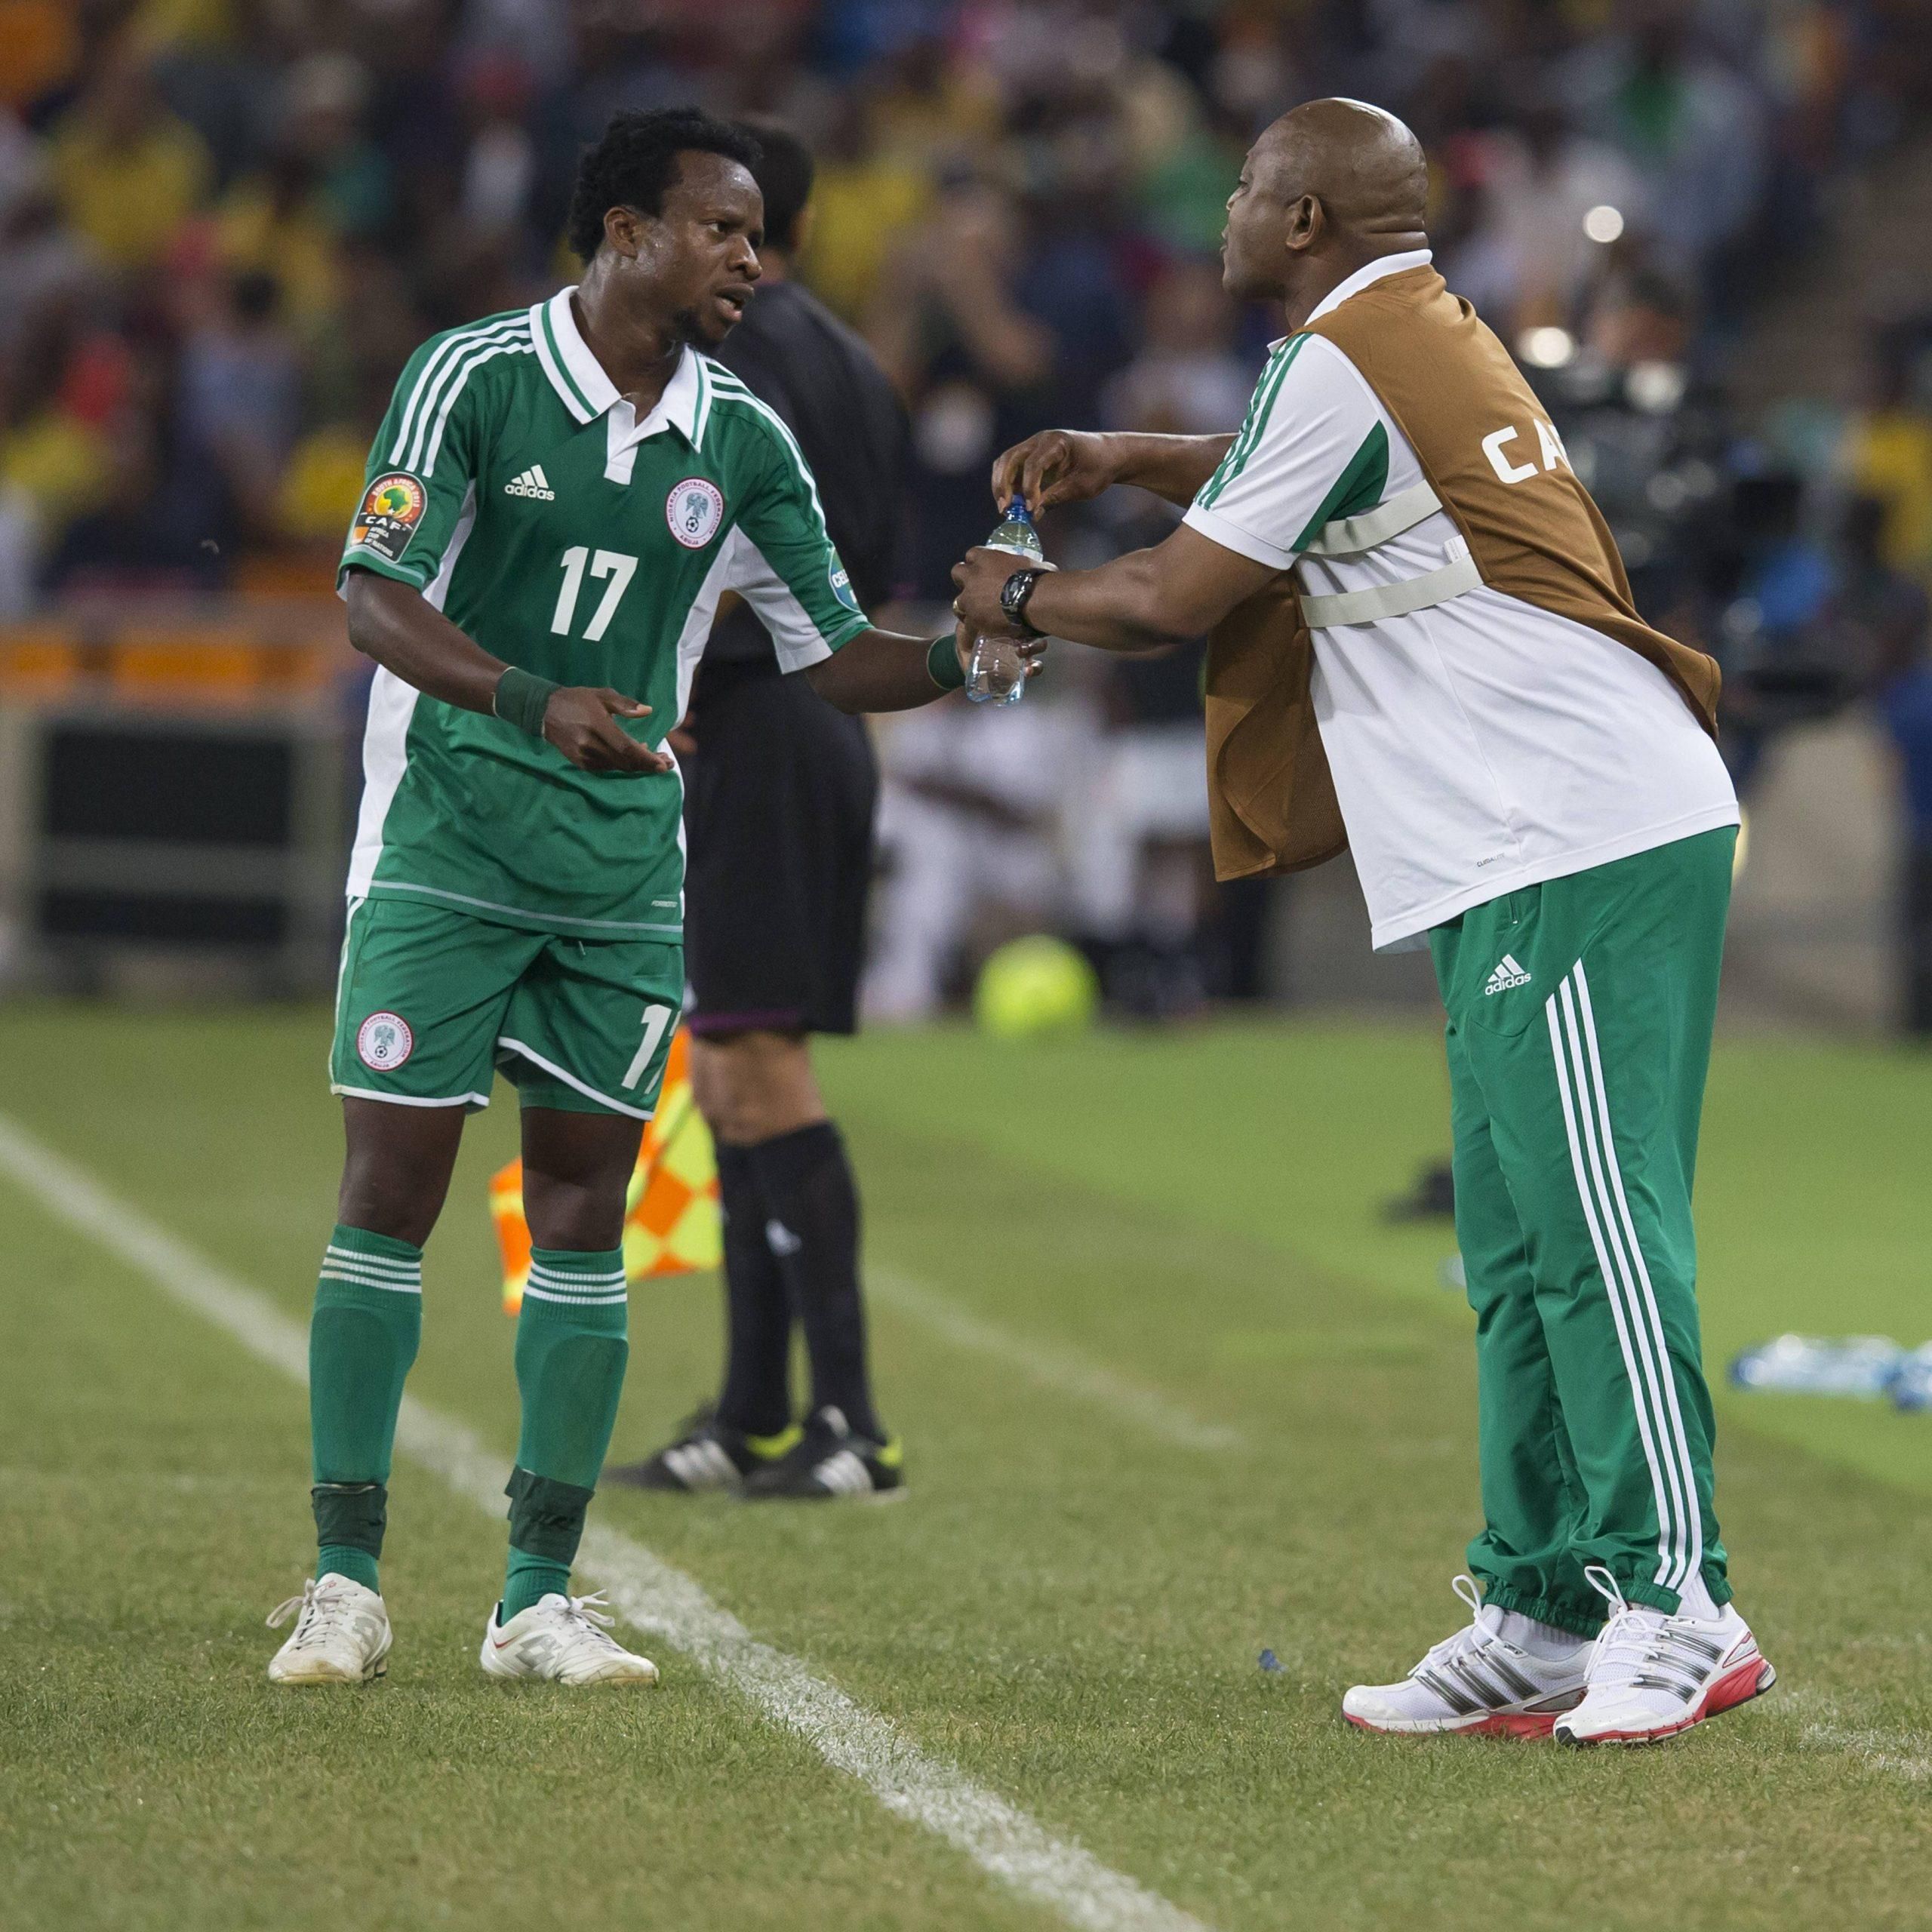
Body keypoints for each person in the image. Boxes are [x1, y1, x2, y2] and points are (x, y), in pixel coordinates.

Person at [955, 98, 1773, 1748]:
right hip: (1521, 835)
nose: (1226, 207)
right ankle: (1546, 1600)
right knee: (1519, 1242)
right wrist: (1128, 457)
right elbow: (1289, 465)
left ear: (1310, 220)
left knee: (1598, 1226)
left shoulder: (1347, 356)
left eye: (1251, 187)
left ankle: (1678, 1598)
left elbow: (1175, 599)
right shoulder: (1391, 337)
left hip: (1572, 830)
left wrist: (1018, 594)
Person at [267, 107, 1034, 1689]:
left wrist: (975, 652)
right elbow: (370, 596)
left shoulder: (743, 433)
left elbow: (832, 655)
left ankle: (532, 1598)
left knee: (581, 1217)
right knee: (388, 1195)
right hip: (446, 846)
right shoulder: (470, 376)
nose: (750, 258)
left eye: (755, 234)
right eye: (720, 229)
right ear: (623, 231)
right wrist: (529, 695)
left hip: (620, 876)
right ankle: (343, 1578)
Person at [606, 123, 909, 1500]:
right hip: (804, 724)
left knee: (758, 1069)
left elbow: (744, 553)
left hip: (761, 725)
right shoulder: (850, 360)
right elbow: (875, 557)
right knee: (729, 1073)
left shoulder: (730, 367)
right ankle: (751, 1414)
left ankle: (845, 1426)